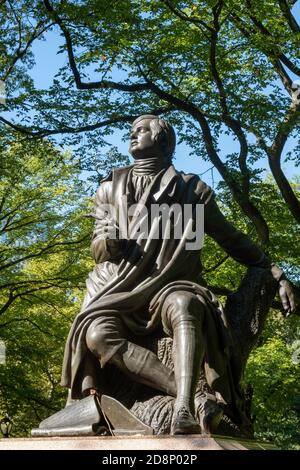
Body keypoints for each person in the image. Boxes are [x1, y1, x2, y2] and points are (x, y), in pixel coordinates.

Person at [61, 115, 295, 435]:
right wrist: (109, 240)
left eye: (141, 130)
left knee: (186, 305)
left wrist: (274, 270)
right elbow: (99, 250)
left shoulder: (192, 190)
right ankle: (199, 398)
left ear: (162, 141)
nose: (132, 134)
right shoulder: (110, 187)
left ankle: (184, 406)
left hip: (171, 284)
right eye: (131, 131)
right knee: (97, 335)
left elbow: (231, 239)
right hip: (119, 288)